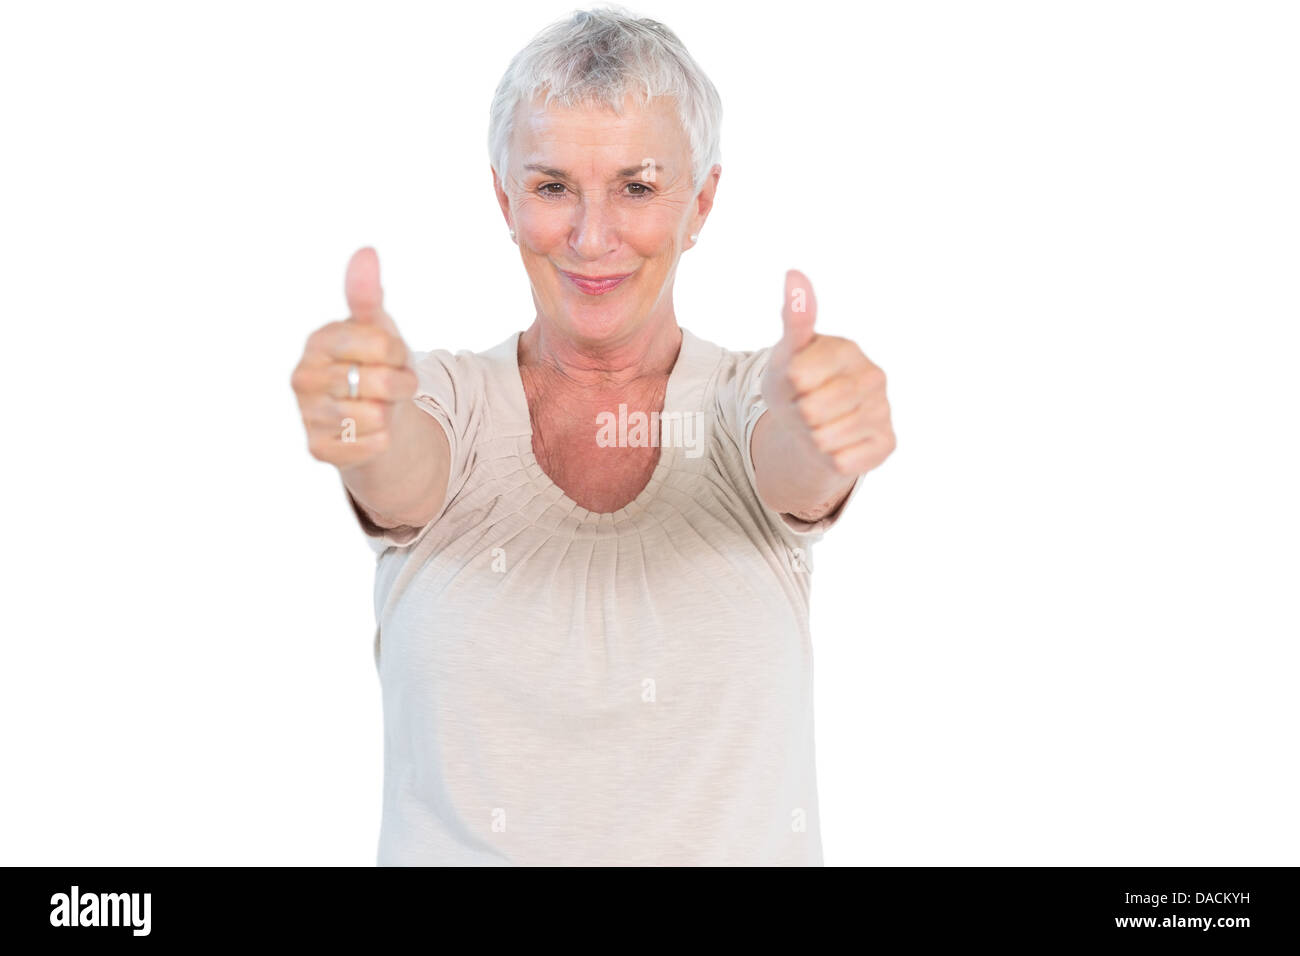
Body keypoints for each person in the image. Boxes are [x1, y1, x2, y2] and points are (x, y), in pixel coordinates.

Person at [290, 6, 895, 865]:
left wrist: (828, 426)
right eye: (551, 187)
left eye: (638, 188)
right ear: (504, 198)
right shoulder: (443, 400)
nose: (592, 236)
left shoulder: (740, 403)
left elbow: (794, 461)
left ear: (702, 202)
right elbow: (397, 470)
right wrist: (359, 422)